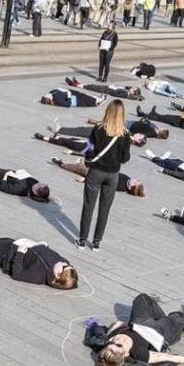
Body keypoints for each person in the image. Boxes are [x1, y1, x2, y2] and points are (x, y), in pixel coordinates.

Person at [86, 292, 184, 366]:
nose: (116, 341)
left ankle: (163, 319)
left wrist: (111, 331)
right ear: (126, 355)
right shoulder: (139, 353)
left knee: (142, 299)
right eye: (118, 345)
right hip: (158, 332)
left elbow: (118, 324)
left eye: (111, 343)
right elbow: (165, 357)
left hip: (138, 323)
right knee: (178, 319)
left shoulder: (108, 340)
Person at [75, 100, 131, 252]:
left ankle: (82, 240)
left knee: (88, 205)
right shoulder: (125, 134)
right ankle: (96, 242)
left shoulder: (98, 129)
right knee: (105, 208)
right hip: (113, 175)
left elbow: (89, 149)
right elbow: (125, 158)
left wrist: (88, 160)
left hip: (96, 171)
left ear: (108, 111)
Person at [52, 156, 146, 197]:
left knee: (79, 167)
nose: (134, 179)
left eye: (135, 182)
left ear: (130, 187)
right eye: (137, 180)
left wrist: (85, 180)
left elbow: (103, 183)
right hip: (102, 168)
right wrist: (142, 193)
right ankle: (78, 163)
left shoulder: (121, 186)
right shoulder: (128, 180)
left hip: (97, 173)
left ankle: (61, 163)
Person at [64, 77, 141, 100]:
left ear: (134, 92)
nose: (132, 88)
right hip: (108, 88)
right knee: (92, 85)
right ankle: (78, 83)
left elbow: (115, 94)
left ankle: (75, 84)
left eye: (134, 89)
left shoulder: (126, 93)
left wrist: (112, 88)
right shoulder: (127, 90)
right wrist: (130, 88)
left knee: (92, 87)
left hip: (108, 90)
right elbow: (127, 87)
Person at [40, 88, 106, 108]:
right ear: (49, 99)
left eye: (46, 95)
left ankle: (97, 98)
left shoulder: (52, 92)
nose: (47, 94)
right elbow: (68, 104)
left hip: (71, 93)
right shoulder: (57, 99)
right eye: (46, 96)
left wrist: (66, 91)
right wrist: (68, 95)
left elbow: (57, 90)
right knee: (86, 100)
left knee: (85, 96)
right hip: (74, 100)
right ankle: (98, 101)